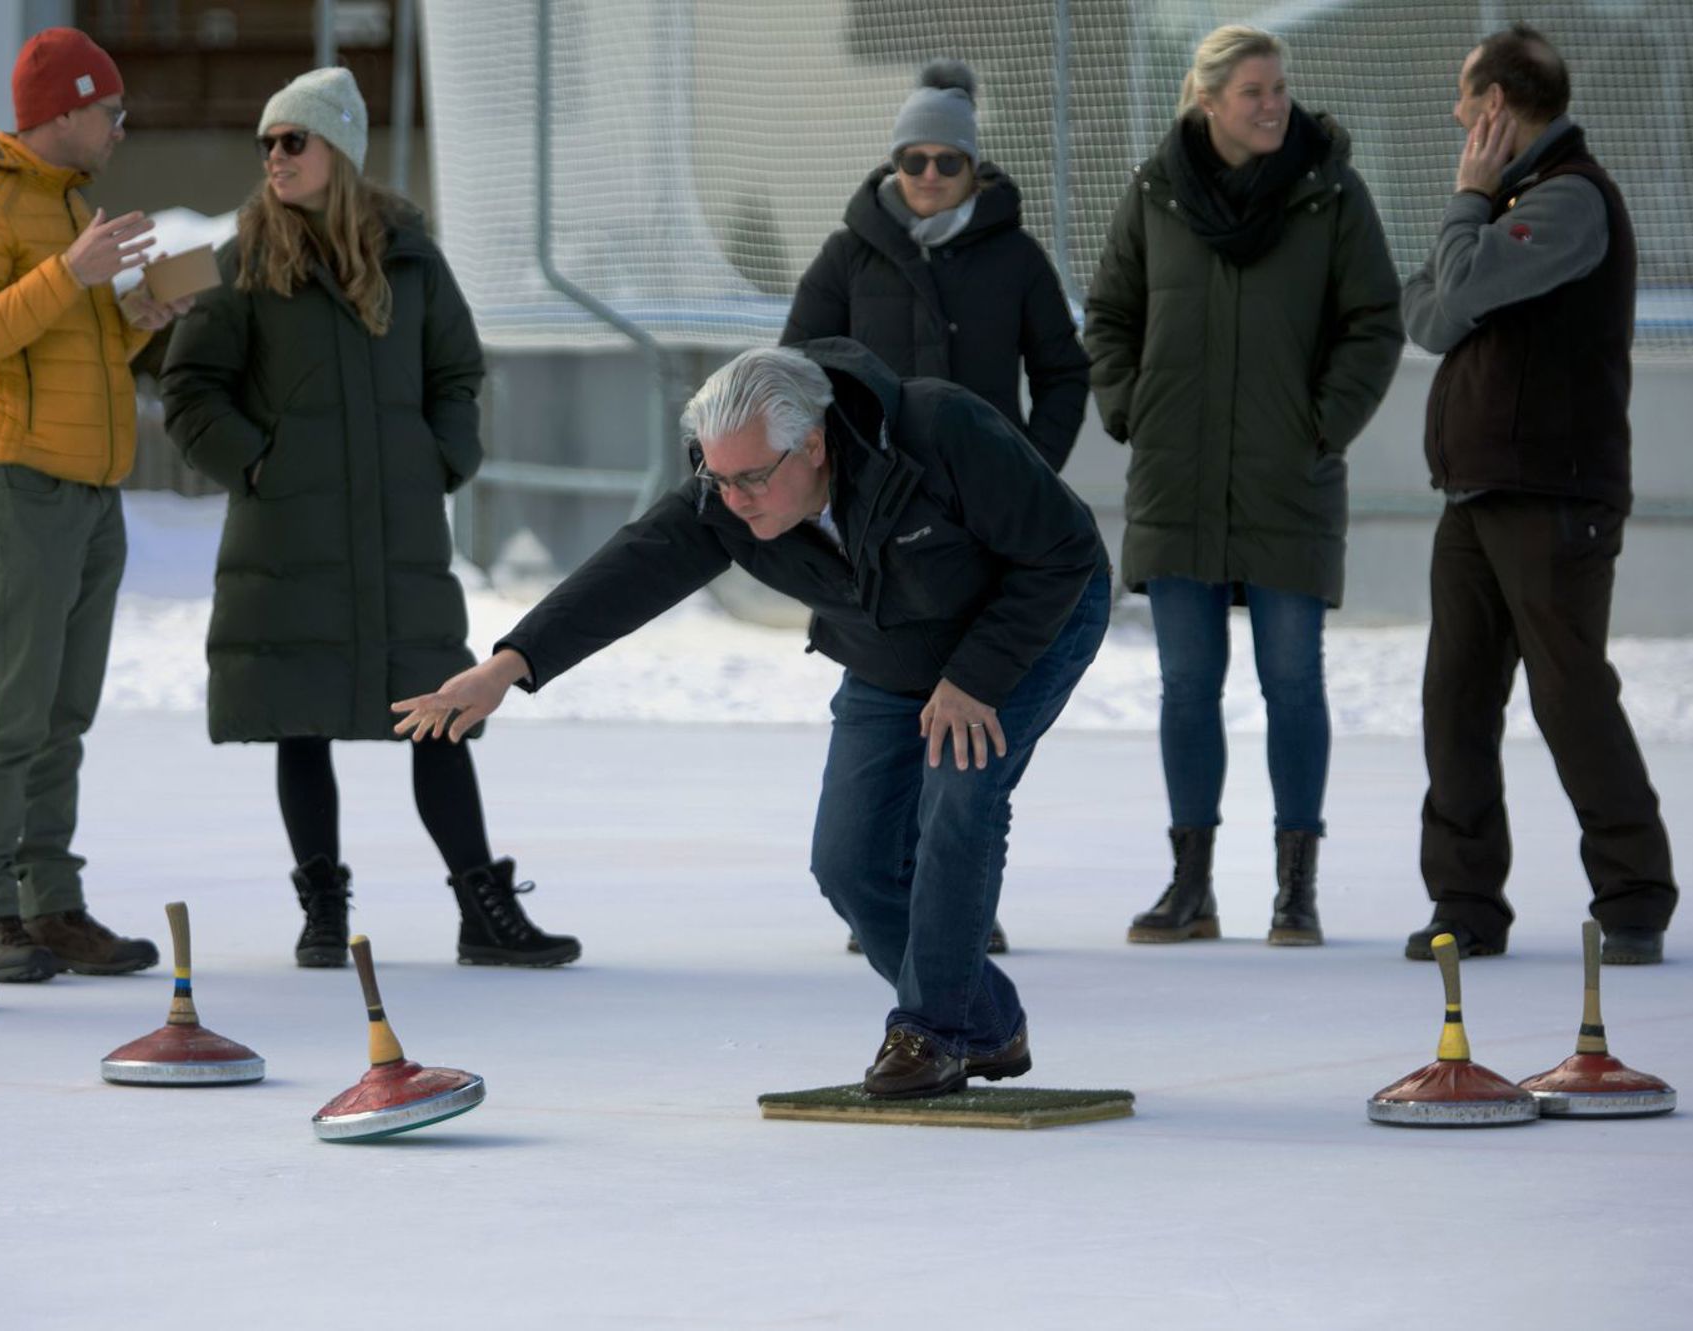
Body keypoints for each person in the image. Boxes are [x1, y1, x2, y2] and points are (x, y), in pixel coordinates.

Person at [393, 342, 1110, 1098]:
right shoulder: (727, 493)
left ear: (814, 444)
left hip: (1028, 623)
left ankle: (934, 1030)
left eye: (752, 478)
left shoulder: (939, 429)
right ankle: (983, 1022)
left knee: (960, 799)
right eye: (717, 476)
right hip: (891, 650)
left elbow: (1063, 552)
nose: (733, 498)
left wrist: (974, 679)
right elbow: (631, 567)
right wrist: (508, 666)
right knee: (850, 863)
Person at [160, 67, 578, 969]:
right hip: (288, 538)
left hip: (398, 537)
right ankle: (321, 911)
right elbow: (189, 387)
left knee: (438, 709)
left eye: (293, 140)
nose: (274, 156)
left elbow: (457, 372)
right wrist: (258, 462)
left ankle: (482, 909)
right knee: (300, 716)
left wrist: (441, 456)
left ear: (339, 149)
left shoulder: (412, 259)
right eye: (266, 143)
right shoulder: (241, 261)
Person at [1083, 25, 1401, 948]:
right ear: (1209, 100)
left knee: (1293, 682)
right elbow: (1109, 313)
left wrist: (1320, 425)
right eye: (1253, 91)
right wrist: (1132, 408)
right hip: (1176, 477)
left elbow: (1374, 322)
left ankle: (1296, 890)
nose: (1273, 105)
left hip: (1285, 477)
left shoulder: (1329, 192)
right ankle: (1192, 887)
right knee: (1187, 686)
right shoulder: (1155, 192)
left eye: (1279, 88)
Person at [783, 58, 1089, 956]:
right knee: (894, 712)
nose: (926, 175)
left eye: (945, 161)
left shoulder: (1016, 258)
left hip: (985, 530)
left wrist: (1030, 470)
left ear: (973, 168)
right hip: (881, 537)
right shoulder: (847, 256)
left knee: (971, 724)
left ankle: (956, 902)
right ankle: (890, 896)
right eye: (911, 160)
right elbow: (792, 374)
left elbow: (1063, 373)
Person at [1401, 25, 1676, 965]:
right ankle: (1465, 902)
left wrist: (1467, 210)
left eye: (1463, 95)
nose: (1455, 114)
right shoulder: (1509, 202)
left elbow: (1453, 292)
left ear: (1495, 104)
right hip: (1476, 492)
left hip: (1553, 495)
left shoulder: (1569, 200)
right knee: (1455, 702)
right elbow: (1431, 309)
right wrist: (1469, 237)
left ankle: (1635, 895)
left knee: (1570, 695)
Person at [0, 27, 186, 984]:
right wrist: (68, 275)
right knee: (13, 709)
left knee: (64, 712)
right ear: (65, 109)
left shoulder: (73, 203)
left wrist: (135, 320)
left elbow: (68, 351)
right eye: (110, 111)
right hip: (19, 484)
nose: (121, 128)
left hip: (91, 492)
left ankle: (49, 901)